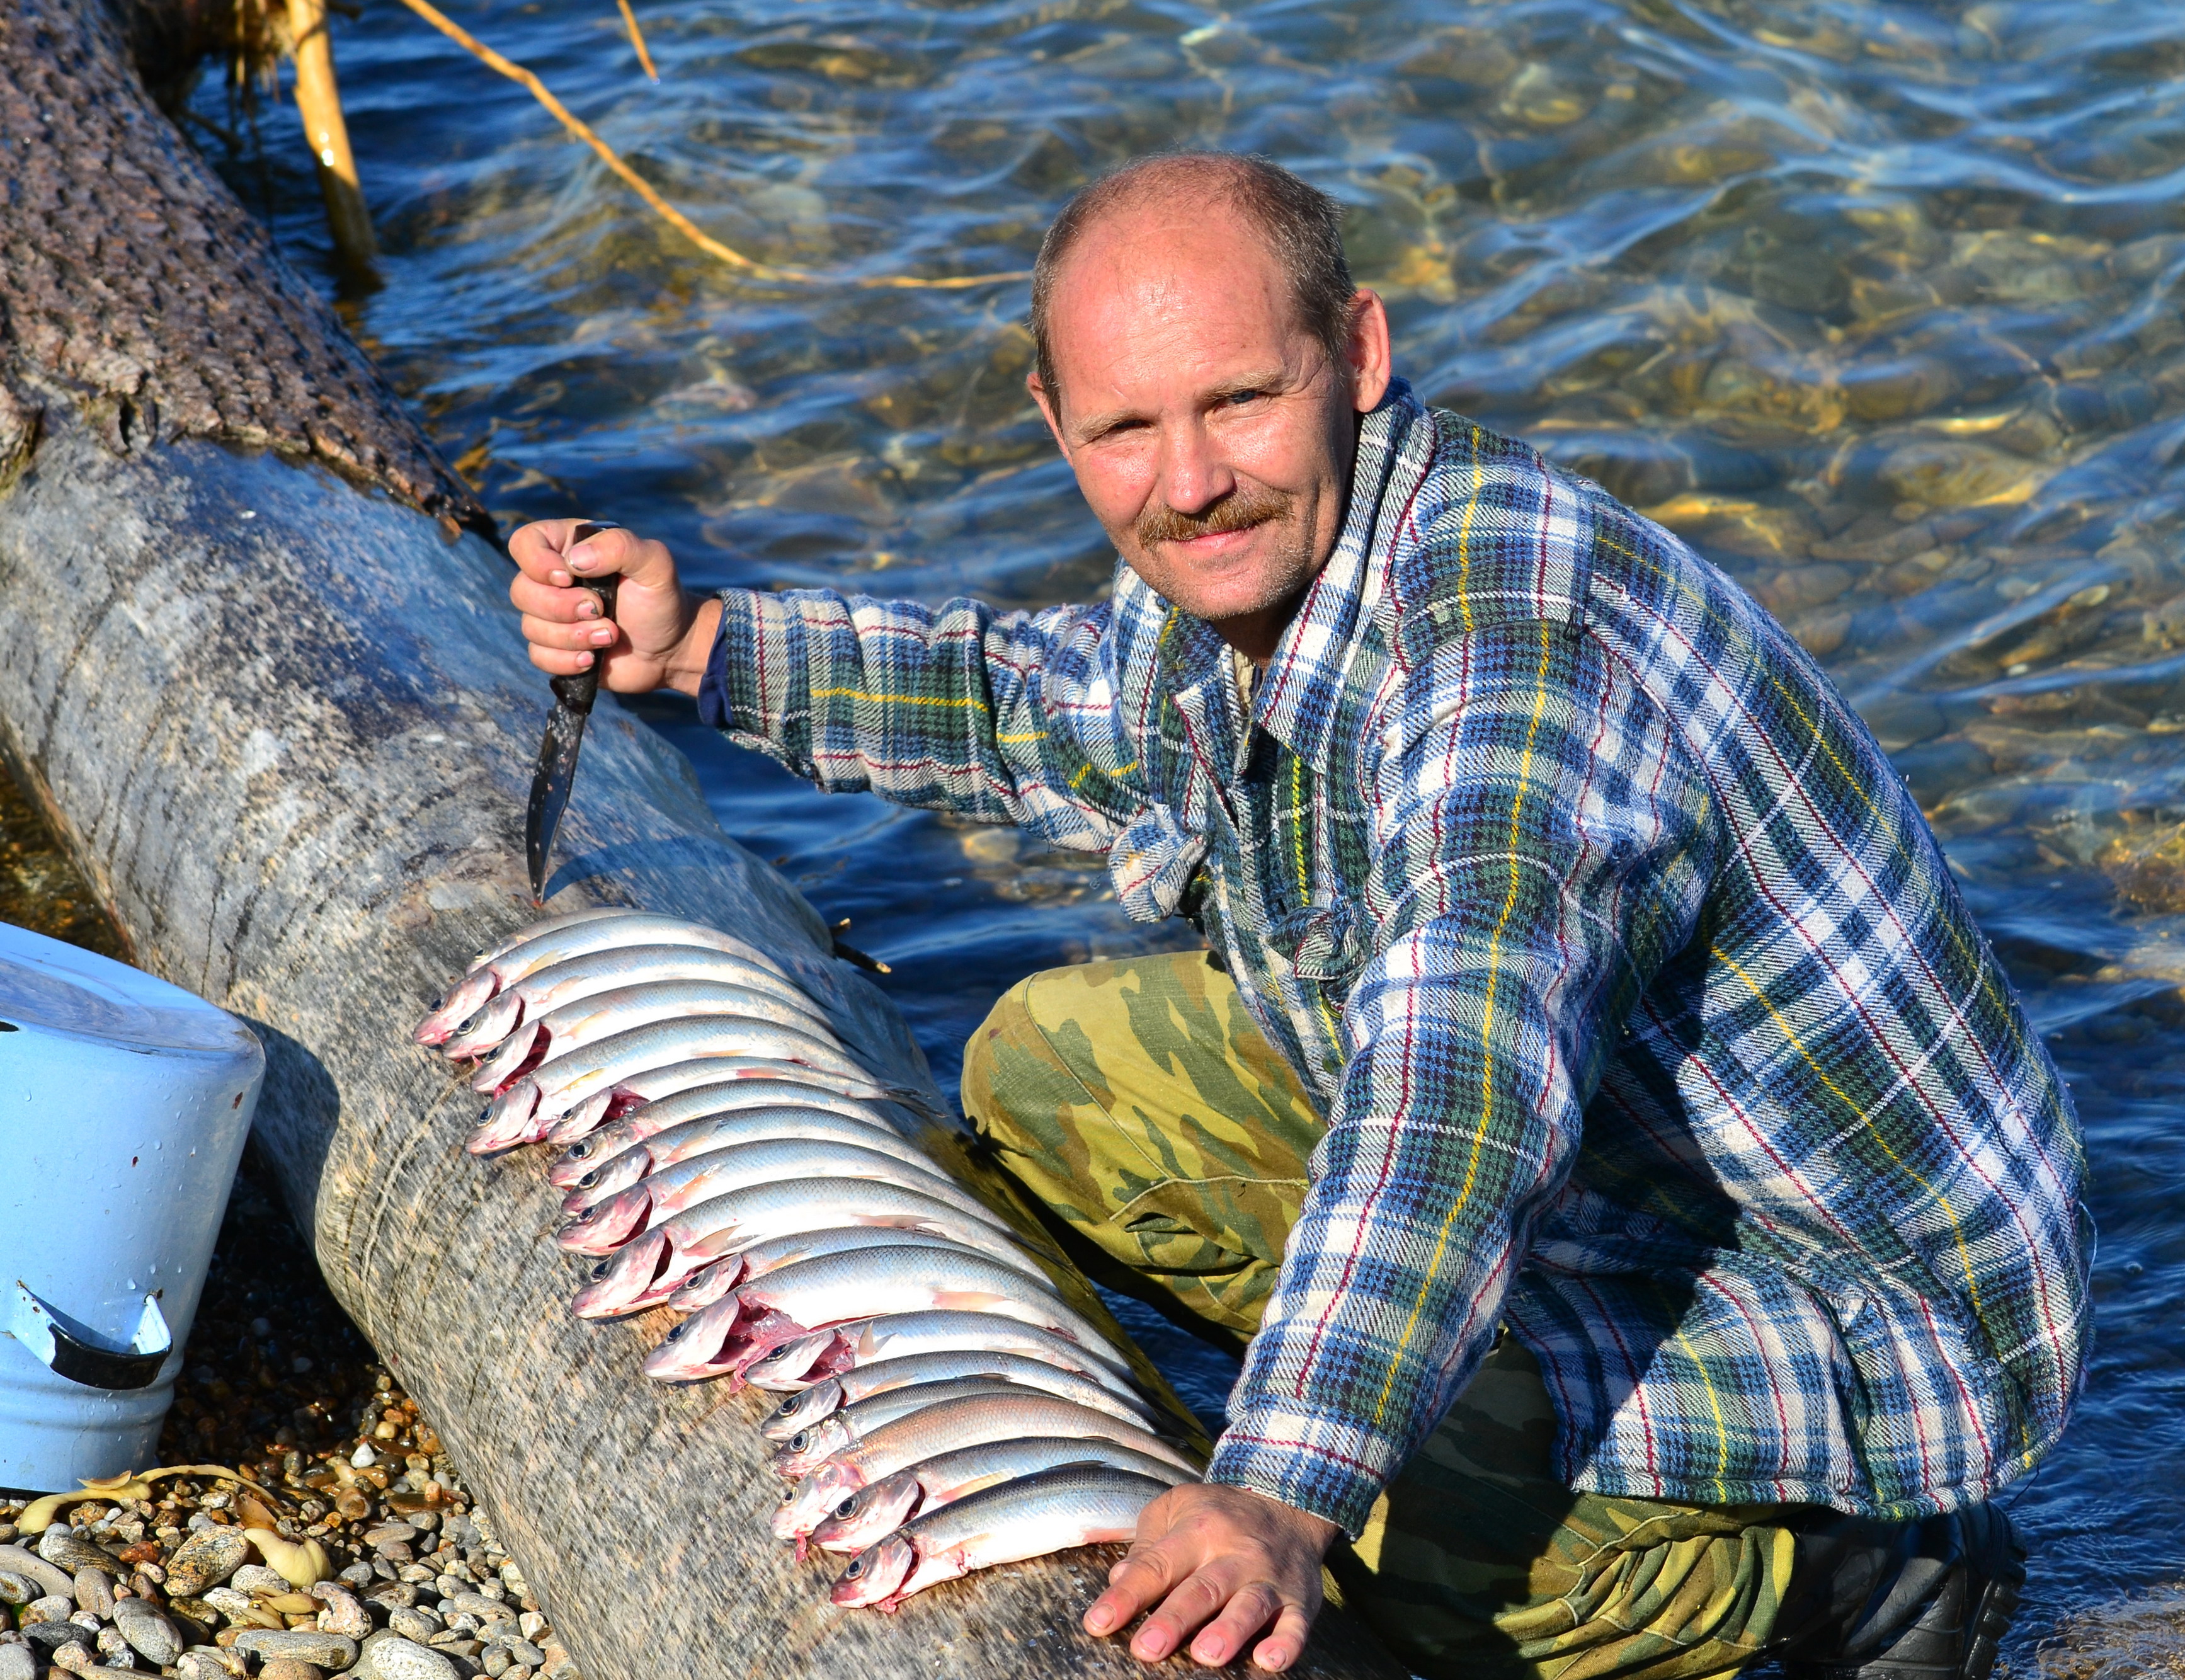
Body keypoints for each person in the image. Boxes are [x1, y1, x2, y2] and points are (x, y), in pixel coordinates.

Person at [505, 152, 2092, 1680]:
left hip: (1855, 1302)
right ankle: (1431, 1387)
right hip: (1604, 1177)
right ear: (1055, 422)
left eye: (1237, 401)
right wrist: (702, 646)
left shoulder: (1508, 660)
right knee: (1050, 1066)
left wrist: (1279, 1489)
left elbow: (1454, 1102)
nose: (1187, 483)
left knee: (1416, 1563)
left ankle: (1861, 1580)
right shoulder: (1251, 566)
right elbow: (1041, 710)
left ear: (1358, 353)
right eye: (1125, 428)